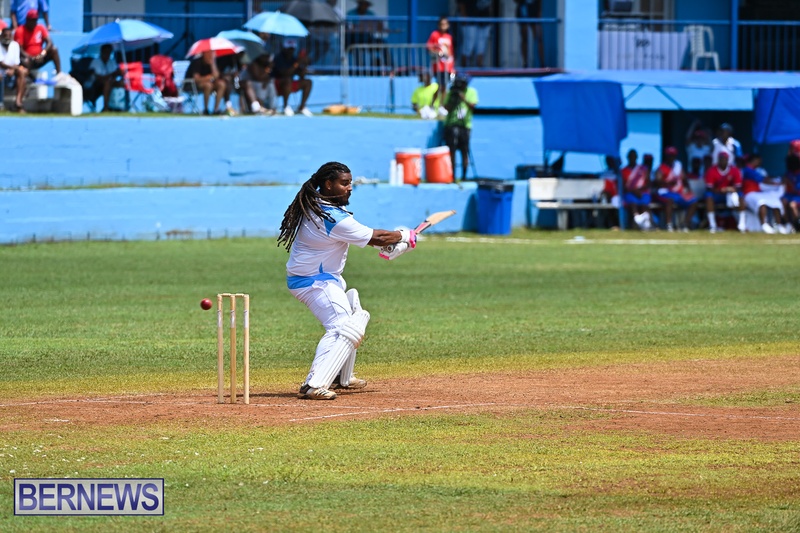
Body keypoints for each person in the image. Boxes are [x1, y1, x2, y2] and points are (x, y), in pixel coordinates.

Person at [277, 161, 418, 400]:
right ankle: (313, 384)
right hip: (313, 281)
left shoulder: (320, 206)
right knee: (341, 326)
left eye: (350, 183)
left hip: (322, 278)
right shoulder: (330, 216)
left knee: (353, 312)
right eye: (344, 183)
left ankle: (341, 375)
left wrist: (393, 243)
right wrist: (404, 235)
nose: (350, 188)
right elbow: (377, 237)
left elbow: (367, 238)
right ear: (328, 184)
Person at [741, 153, 792, 234]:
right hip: (749, 194)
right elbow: (762, 179)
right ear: (755, 160)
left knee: (775, 201)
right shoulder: (747, 170)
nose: (760, 163)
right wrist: (777, 183)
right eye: (759, 161)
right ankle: (764, 225)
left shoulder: (756, 170)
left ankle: (779, 225)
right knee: (762, 203)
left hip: (758, 193)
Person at [442, 73, 478, 182]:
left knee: (464, 150)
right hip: (451, 123)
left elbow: (473, 107)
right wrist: (454, 100)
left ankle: (464, 176)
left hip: (465, 125)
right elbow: (446, 107)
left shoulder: (471, 92)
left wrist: (463, 99)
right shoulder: (452, 93)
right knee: (451, 150)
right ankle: (452, 175)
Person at [655, 146, 697, 231]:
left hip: (678, 193)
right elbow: (657, 181)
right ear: (666, 156)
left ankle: (685, 224)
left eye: (673, 155)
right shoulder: (662, 167)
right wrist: (668, 183)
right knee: (669, 200)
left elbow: (684, 179)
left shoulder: (678, 166)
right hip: (665, 192)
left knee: (693, 200)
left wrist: (688, 190)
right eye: (670, 155)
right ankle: (669, 225)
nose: (671, 157)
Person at [704, 151, 744, 233]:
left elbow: (739, 187)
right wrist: (721, 190)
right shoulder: (712, 170)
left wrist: (731, 189)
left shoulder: (734, 170)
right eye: (721, 159)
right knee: (708, 196)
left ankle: (742, 224)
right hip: (717, 194)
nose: (723, 161)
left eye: (725, 159)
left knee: (740, 195)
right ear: (718, 160)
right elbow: (709, 188)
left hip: (730, 194)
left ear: (727, 160)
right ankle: (712, 225)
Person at [272, 39, 313, 116]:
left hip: (289, 84)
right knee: (287, 80)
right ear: (284, 48)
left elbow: (301, 76)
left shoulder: (294, 59)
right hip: (277, 84)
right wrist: (296, 64)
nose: (291, 51)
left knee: (308, 82)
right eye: (289, 49)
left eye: (292, 49)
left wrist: (304, 64)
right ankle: (286, 106)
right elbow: (285, 73)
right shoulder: (278, 58)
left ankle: (302, 107)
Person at [14, 9, 60, 75]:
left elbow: (50, 42)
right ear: (27, 20)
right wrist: (31, 57)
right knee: (26, 60)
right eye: (32, 20)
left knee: (54, 49)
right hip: (27, 59)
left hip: (40, 57)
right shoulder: (20, 30)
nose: (34, 22)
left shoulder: (40, 28)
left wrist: (42, 54)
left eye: (35, 20)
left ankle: (59, 74)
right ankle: (29, 77)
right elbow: (19, 49)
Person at [426, 16, 455, 116]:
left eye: (445, 24)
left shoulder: (449, 37)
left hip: (448, 66)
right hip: (438, 66)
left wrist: (452, 67)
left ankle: (442, 106)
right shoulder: (435, 35)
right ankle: (432, 105)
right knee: (440, 86)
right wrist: (438, 53)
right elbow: (429, 48)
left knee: (444, 86)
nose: (444, 26)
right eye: (442, 24)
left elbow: (450, 53)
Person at [85, 44, 124, 113]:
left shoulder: (111, 62)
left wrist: (120, 73)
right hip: (95, 85)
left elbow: (114, 75)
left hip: (110, 83)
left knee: (122, 83)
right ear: (102, 52)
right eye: (106, 52)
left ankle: (121, 107)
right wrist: (113, 74)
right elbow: (99, 78)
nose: (107, 54)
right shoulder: (96, 62)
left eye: (109, 52)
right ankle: (106, 107)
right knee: (107, 83)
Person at [187, 50, 226, 115]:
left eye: (212, 53)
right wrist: (208, 78)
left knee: (221, 84)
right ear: (204, 53)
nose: (210, 55)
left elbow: (216, 76)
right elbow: (196, 79)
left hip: (209, 83)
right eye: (209, 53)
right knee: (208, 85)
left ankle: (216, 109)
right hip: (192, 84)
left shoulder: (213, 61)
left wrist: (213, 64)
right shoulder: (197, 62)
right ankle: (206, 109)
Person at [623, 152, 654, 230]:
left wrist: (639, 190)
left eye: (634, 156)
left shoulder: (643, 169)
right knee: (633, 203)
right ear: (628, 157)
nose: (632, 158)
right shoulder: (623, 170)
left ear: (636, 157)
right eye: (631, 156)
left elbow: (648, 183)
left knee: (644, 204)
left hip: (643, 192)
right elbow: (623, 186)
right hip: (630, 193)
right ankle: (638, 220)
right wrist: (634, 191)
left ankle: (648, 223)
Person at [456, 0, 492, 68]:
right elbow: (461, 3)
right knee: (469, 44)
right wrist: (464, 17)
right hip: (470, 20)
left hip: (484, 20)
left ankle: (479, 66)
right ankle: (464, 66)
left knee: (481, 44)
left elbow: (488, 5)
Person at [0, 26, 28, 112]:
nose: (7, 37)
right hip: (1, 73)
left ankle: (18, 103)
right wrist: (12, 68)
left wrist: (13, 70)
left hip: (12, 74)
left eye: (9, 35)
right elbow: (1, 63)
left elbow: (16, 62)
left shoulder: (15, 45)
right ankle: (1, 104)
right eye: (5, 35)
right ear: (1, 36)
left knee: (22, 72)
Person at [515, 0, 544, 68]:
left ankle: (542, 63)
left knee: (539, 38)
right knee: (524, 38)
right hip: (523, 8)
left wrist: (539, 11)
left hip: (534, 9)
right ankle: (525, 63)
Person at [216, 51, 245, 116]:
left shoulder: (237, 61)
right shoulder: (225, 60)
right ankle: (228, 106)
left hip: (235, 81)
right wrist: (229, 75)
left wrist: (237, 74)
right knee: (227, 84)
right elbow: (220, 73)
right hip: (226, 80)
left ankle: (244, 108)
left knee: (243, 85)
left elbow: (240, 72)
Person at [782, 154, 800, 230]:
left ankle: (797, 223)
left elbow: (797, 188)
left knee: (792, 205)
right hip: (790, 195)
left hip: (798, 195)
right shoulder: (788, 173)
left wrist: (790, 184)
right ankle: (787, 223)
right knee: (783, 201)